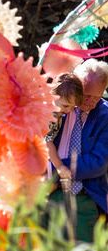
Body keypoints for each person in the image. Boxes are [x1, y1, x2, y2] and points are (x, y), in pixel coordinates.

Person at [50, 59, 108, 241]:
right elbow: (45, 140)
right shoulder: (62, 106)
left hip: (87, 196)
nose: (89, 101)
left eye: (96, 97)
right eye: (86, 94)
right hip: (54, 192)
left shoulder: (105, 116)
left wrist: (59, 168)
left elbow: (99, 162)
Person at [46, 73, 83, 185]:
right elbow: (47, 142)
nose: (69, 111)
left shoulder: (58, 113)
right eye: (66, 106)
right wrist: (60, 166)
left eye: (73, 107)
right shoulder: (49, 114)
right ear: (53, 94)